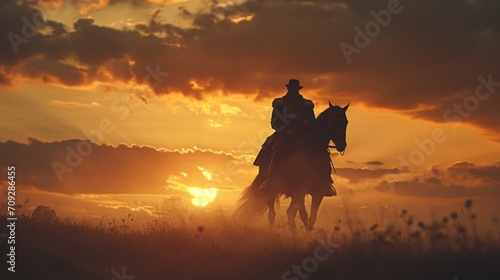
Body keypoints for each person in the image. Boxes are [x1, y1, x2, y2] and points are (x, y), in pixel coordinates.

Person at [255, 79, 336, 197]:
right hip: (284, 135)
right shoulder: (280, 103)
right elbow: (274, 122)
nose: (293, 91)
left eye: (295, 90)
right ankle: (270, 181)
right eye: (291, 89)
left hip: (302, 134)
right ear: (288, 89)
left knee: (322, 153)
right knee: (278, 151)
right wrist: (285, 130)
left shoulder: (306, 105)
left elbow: (312, 121)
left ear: (298, 90)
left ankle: (325, 183)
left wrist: (307, 124)